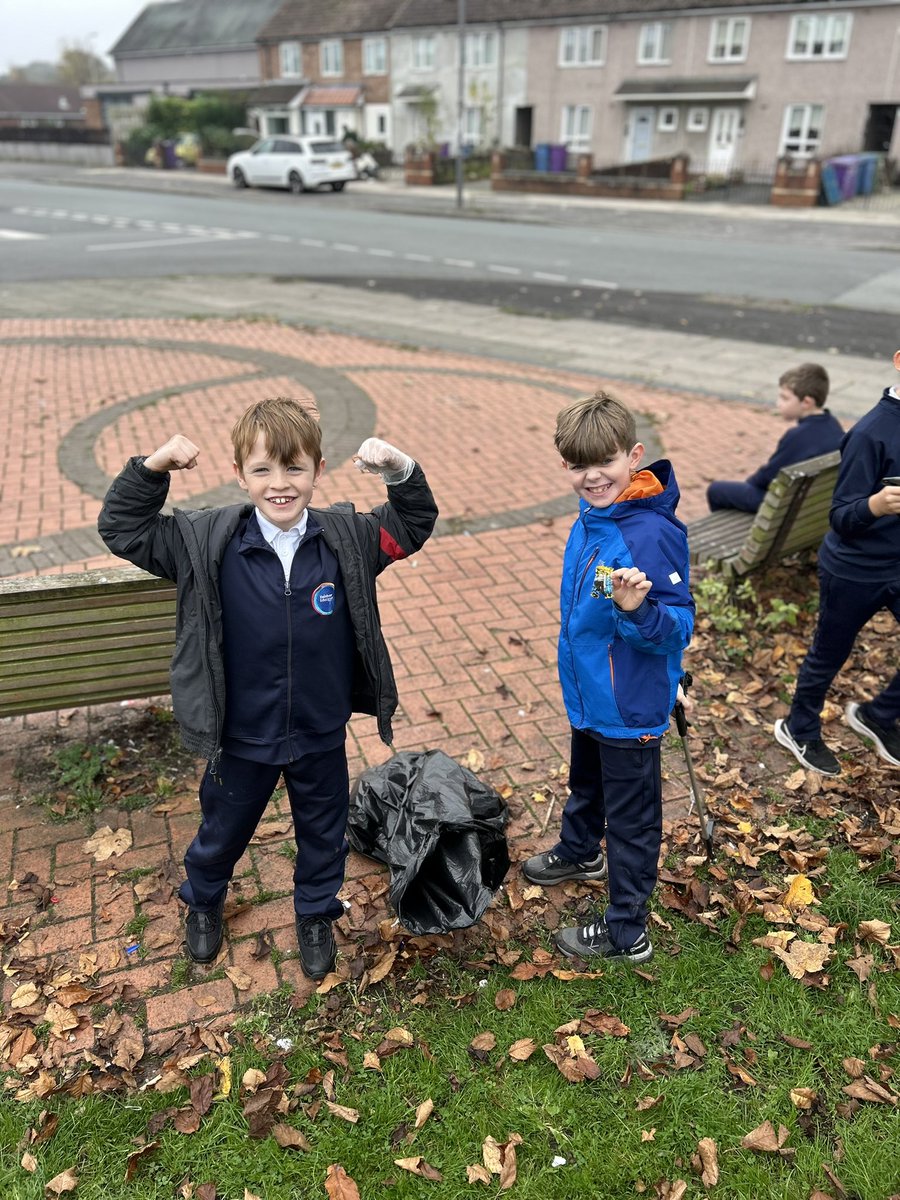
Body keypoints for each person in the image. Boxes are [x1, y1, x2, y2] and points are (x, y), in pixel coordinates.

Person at [98, 398, 438, 978]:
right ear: (239, 475)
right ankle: (204, 901)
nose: (280, 485)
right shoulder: (205, 541)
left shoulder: (348, 539)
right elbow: (124, 528)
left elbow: (410, 525)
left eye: (294, 469)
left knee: (323, 831)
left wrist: (399, 468)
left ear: (318, 470)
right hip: (242, 731)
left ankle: (314, 912)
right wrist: (153, 467)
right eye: (262, 471)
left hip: (319, 727)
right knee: (222, 828)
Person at [522, 391, 694, 963]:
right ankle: (579, 849)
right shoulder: (598, 514)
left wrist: (637, 611)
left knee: (631, 820)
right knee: (587, 783)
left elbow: (677, 628)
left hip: (629, 708)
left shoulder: (648, 533)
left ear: (634, 456)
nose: (592, 476)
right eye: (577, 465)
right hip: (593, 695)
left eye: (606, 462)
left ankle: (627, 931)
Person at [773, 358, 900, 776]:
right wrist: (875, 505)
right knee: (829, 652)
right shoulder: (870, 433)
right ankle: (798, 726)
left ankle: (879, 715)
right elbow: (842, 516)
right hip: (854, 569)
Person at [707, 363, 843, 513]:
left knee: (717, 490)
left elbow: (766, 478)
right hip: (813, 505)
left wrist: (750, 484)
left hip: (786, 509)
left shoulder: (797, 436)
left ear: (806, 402)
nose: (778, 403)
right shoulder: (833, 424)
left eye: (785, 398)